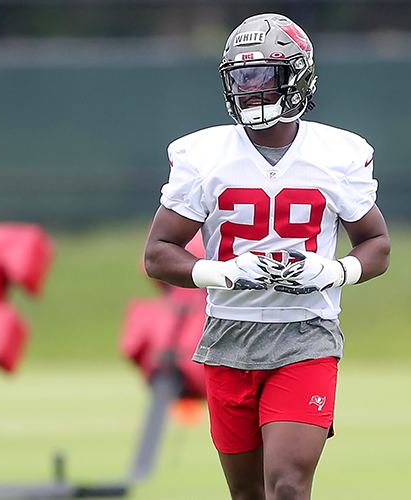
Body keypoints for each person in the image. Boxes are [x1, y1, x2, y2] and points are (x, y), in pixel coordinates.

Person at [144, 13, 390, 500]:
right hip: (229, 335)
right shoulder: (204, 154)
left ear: (298, 77)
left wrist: (335, 270)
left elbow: (377, 243)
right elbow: (157, 254)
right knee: (248, 494)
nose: (251, 89)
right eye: (241, 77)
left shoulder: (338, 153)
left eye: (264, 75)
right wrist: (225, 271)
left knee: (287, 485)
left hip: (306, 332)